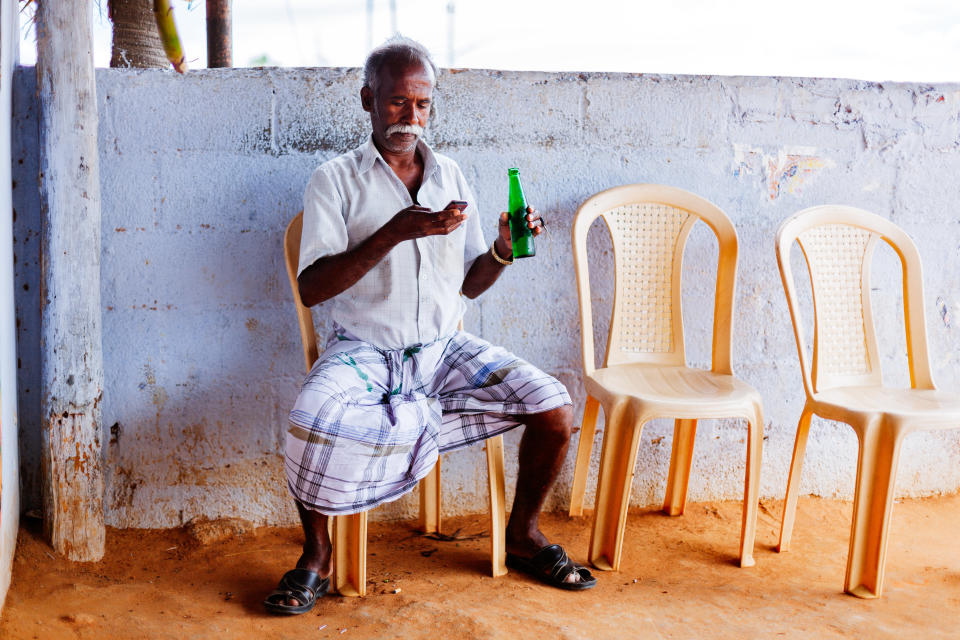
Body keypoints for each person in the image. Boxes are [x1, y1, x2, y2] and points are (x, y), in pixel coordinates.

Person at [264, 36, 596, 615]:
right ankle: (316, 555)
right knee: (309, 421)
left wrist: (500, 250)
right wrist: (395, 231)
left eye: (421, 105)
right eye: (396, 102)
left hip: (444, 350)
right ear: (368, 99)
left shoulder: (451, 175)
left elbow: (468, 283)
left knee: (553, 408)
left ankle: (522, 534)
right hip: (364, 351)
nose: (409, 117)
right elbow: (312, 287)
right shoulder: (334, 180)